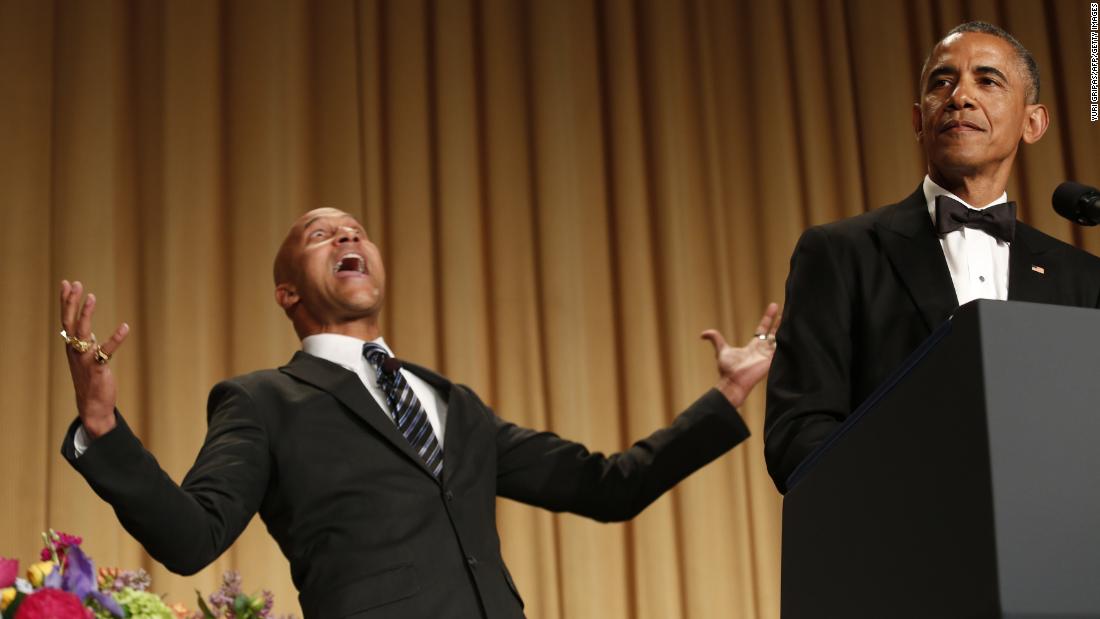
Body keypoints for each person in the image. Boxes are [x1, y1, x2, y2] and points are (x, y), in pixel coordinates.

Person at [59, 207, 780, 618]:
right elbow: (192, 537)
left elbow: (607, 484)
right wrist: (102, 429)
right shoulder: (262, 400)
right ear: (286, 293)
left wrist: (724, 400)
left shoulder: (453, 404)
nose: (346, 237)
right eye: (321, 234)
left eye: (355, 230)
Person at [764, 21, 1100, 494]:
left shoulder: (1083, 278)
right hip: (902, 547)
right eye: (942, 82)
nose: (960, 96)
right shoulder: (840, 252)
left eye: (988, 80)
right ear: (919, 119)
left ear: (1033, 122)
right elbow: (796, 434)